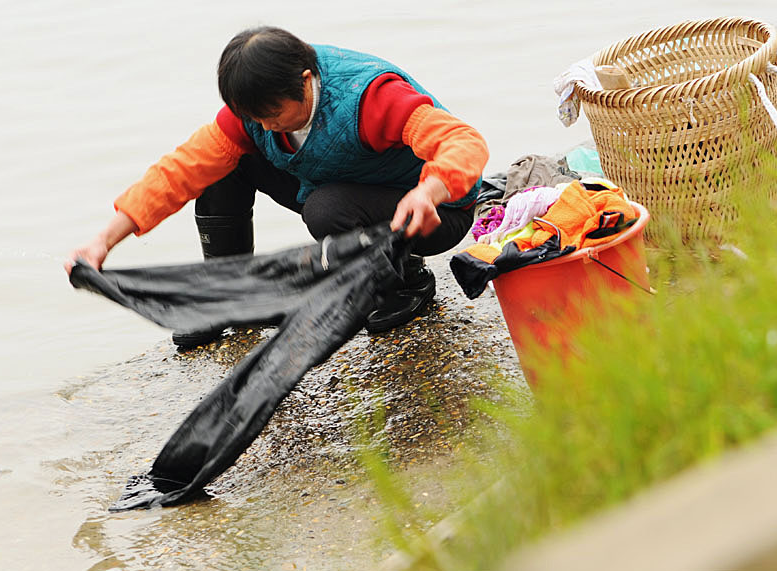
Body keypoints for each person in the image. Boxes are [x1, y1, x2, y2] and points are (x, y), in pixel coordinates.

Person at [66, 26, 488, 346]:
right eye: (255, 118)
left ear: (306, 81)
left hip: (433, 211)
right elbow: (179, 172)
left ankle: (405, 279)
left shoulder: (371, 95)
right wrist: (105, 240)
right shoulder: (253, 116)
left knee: (326, 209)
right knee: (223, 166)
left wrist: (429, 189)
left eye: (272, 114)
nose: (265, 126)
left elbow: (463, 142)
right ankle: (230, 298)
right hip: (330, 182)